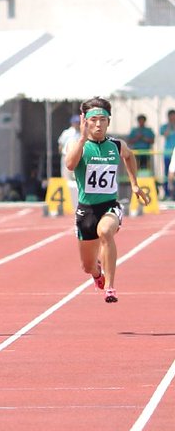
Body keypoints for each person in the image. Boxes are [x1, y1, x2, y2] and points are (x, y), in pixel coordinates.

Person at [63, 97, 148, 303]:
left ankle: (110, 287)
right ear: (86, 122)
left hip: (109, 205)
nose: (98, 124)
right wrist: (82, 139)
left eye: (102, 119)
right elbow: (70, 165)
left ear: (108, 122)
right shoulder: (78, 145)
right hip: (86, 210)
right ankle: (97, 274)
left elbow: (129, 156)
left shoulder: (117, 145)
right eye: (93, 120)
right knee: (87, 266)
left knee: (105, 232)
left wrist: (134, 183)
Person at [57, 114, 81, 180]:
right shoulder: (67, 132)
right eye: (76, 122)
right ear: (72, 123)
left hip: (78, 157)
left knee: (75, 176)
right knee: (66, 176)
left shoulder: (81, 133)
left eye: (78, 122)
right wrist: (62, 154)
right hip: (67, 155)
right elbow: (61, 144)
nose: (77, 124)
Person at [161, 109, 175, 198]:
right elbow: (165, 134)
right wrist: (170, 125)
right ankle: (167, 193)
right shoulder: (164, 126)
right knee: (167, 174)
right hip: (167, 153)